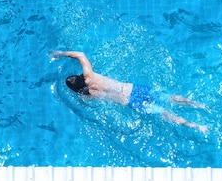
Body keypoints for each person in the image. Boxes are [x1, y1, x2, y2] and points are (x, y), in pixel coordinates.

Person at [50, 50, 209, 134]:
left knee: (164, 113)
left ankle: (197, 126)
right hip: (132, 88)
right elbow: (81, 55)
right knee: (167, 98)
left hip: (130, 103)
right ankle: (198, 105)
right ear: (81, 76)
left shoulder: (87, 97)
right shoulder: (90, 75)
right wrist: (62, 54)